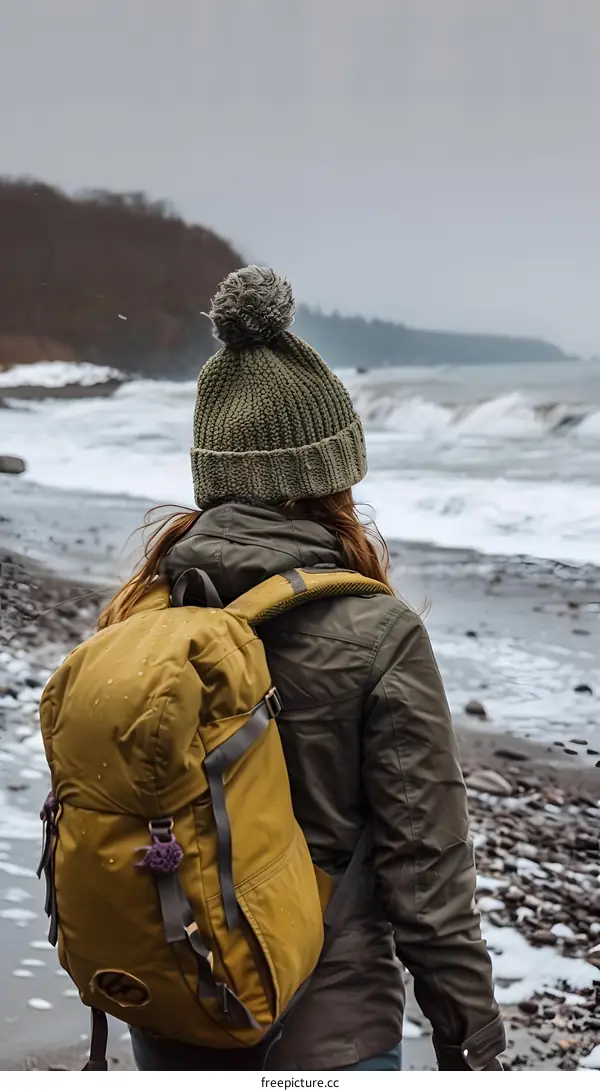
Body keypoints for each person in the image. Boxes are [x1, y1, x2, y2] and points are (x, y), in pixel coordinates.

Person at [98, 266, 506, 1072]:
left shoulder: (144, 611)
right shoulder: (375, 631)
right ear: (329, 475)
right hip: (326, 1028)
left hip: (174, 1003)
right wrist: (473, 1041)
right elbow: (427, 873)